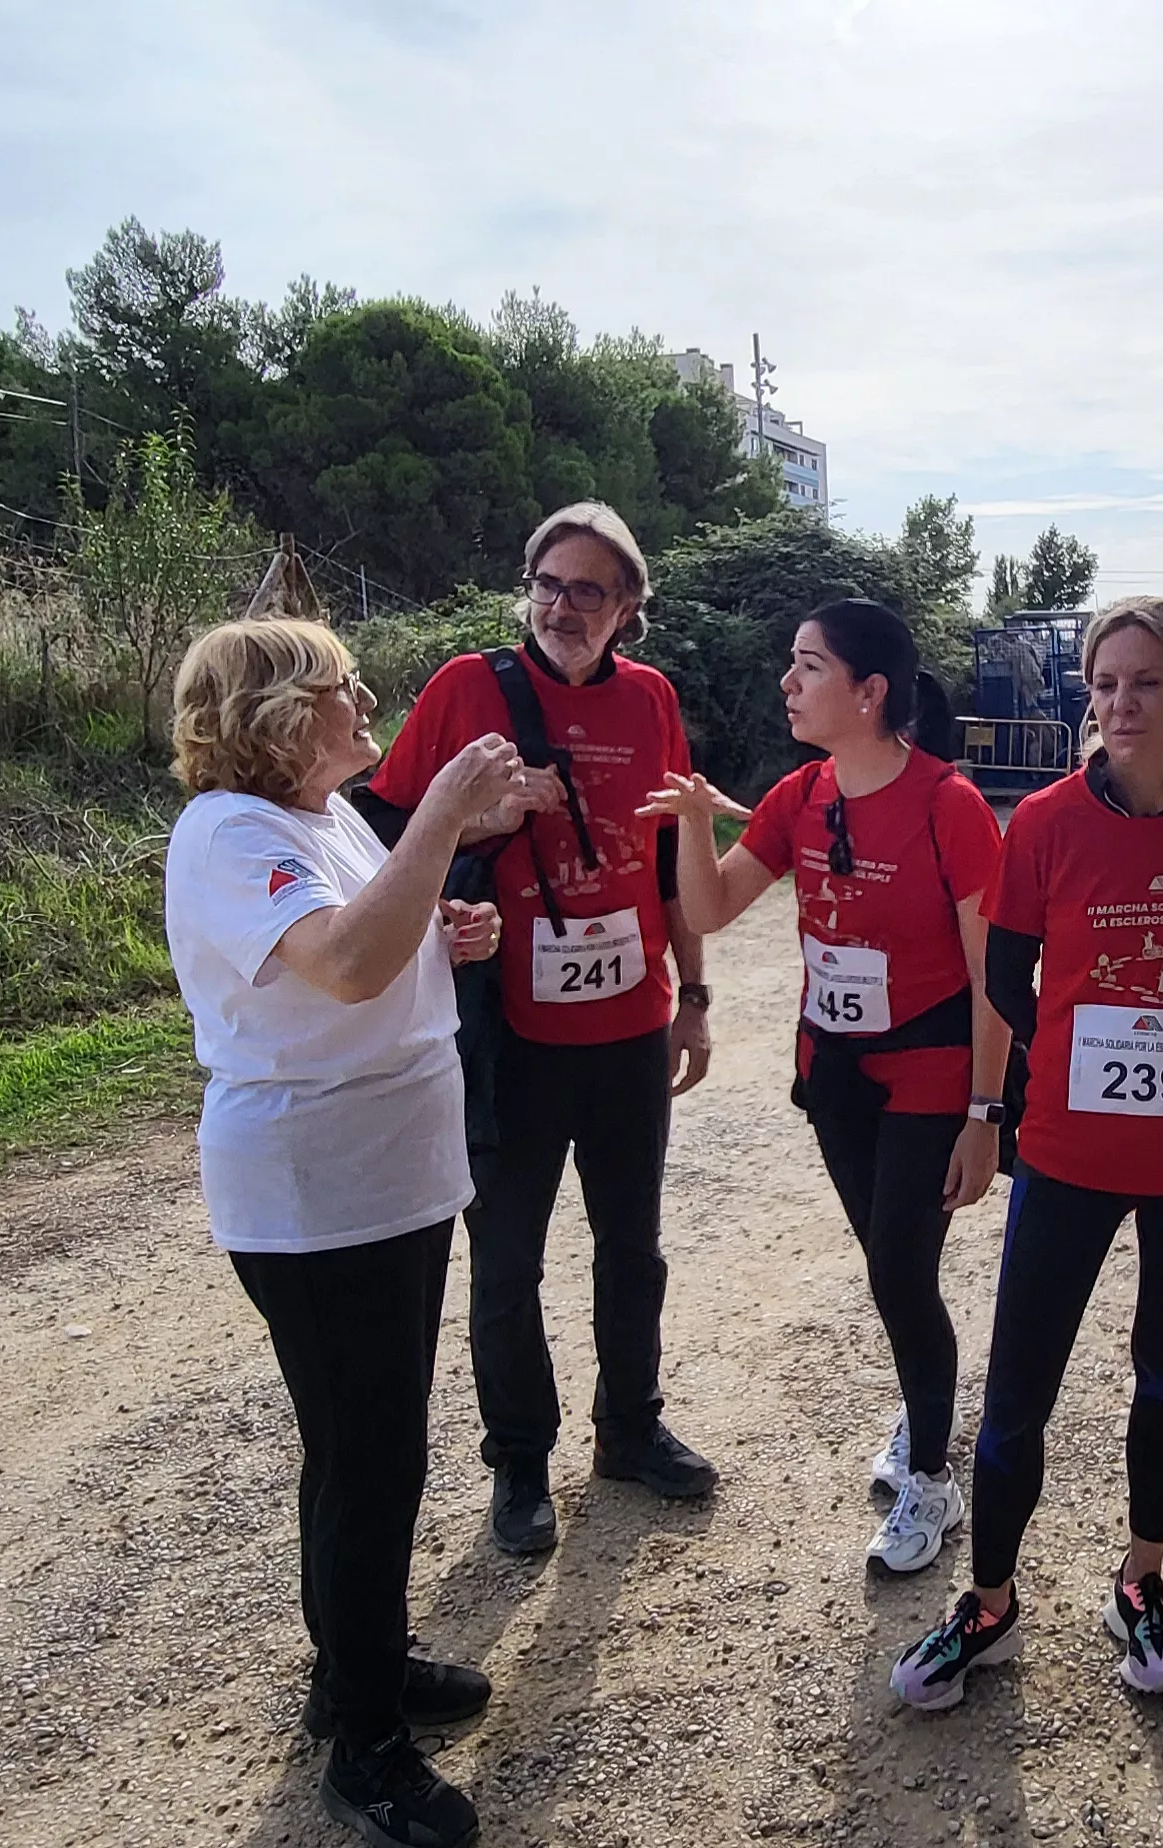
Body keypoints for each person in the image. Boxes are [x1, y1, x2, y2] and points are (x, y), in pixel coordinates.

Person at [888, 594, 1163, 1712]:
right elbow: (1007, 980)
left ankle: (1141, 1579)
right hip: (1067, 1149)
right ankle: (990, 1603)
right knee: (1020, 1388)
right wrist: (1083, 1049)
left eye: (1147, 682)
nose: (1120, 702)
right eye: (1104, 683)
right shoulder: (1050, 822)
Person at [161, 617, 527, 1848]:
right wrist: (444, 820)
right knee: (368, 1460)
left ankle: (352, 1671)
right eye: (338, 686)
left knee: (375, 1451)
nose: (364, 698)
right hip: (318, 1193)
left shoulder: (323, 814)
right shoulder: (228, 831)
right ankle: (365, 1745)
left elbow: (380, 938)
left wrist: (444, 928)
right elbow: (347, 966)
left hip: (386, 1177)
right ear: (275, 714)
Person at [362, 502, 720, 1559]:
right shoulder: (465, 690)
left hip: (625, 1026)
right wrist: (485, 819)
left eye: (590, 590)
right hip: (501, 1037)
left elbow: (666, 864)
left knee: (634, 1249)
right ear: (527, 589)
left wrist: (692, 996)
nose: (565, 607)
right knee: (505, 1259)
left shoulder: (651, 698)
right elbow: (378, 834)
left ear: (628, 610)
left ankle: (631, 1427)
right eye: (550, 585)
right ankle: (518, 1459)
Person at [643, 599, 1011, 1576]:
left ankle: (931, 1477)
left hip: (932, 1072)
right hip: (836, 1073)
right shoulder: (801, 795)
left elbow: (994, 979)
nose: (787, 682)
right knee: (893, 1270)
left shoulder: (948, 805)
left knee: (898, 1270)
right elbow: (712, 904)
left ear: (870, 690)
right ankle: (923, 1405)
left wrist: (986, 1113)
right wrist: (687, 821)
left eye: (807, 666)